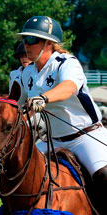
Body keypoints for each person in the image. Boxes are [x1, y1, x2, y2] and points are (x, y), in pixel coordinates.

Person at [16, 16, 107, 212]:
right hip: (52, 140)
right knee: (17, 170)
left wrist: (44, 98)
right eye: (25, 40)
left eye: (32, 39)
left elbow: (68, 88)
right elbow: (17, 106)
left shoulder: (66, 63)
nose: (26, 45)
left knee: (104, 175)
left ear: (49, 43)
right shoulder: (26, 73)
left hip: (85, 136)